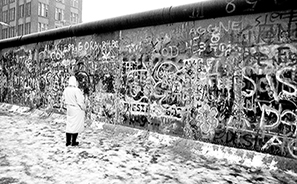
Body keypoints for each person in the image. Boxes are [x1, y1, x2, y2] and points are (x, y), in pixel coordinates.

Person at [61, 76, 86, 146]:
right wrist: (84, 108)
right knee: (76, 126)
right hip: (76, 109)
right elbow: (80, 101)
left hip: (69, 109)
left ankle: (68, 141)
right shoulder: (76, 90)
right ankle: (73, 141)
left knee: (69, 126)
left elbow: (63, 98)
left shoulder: (66, 89)